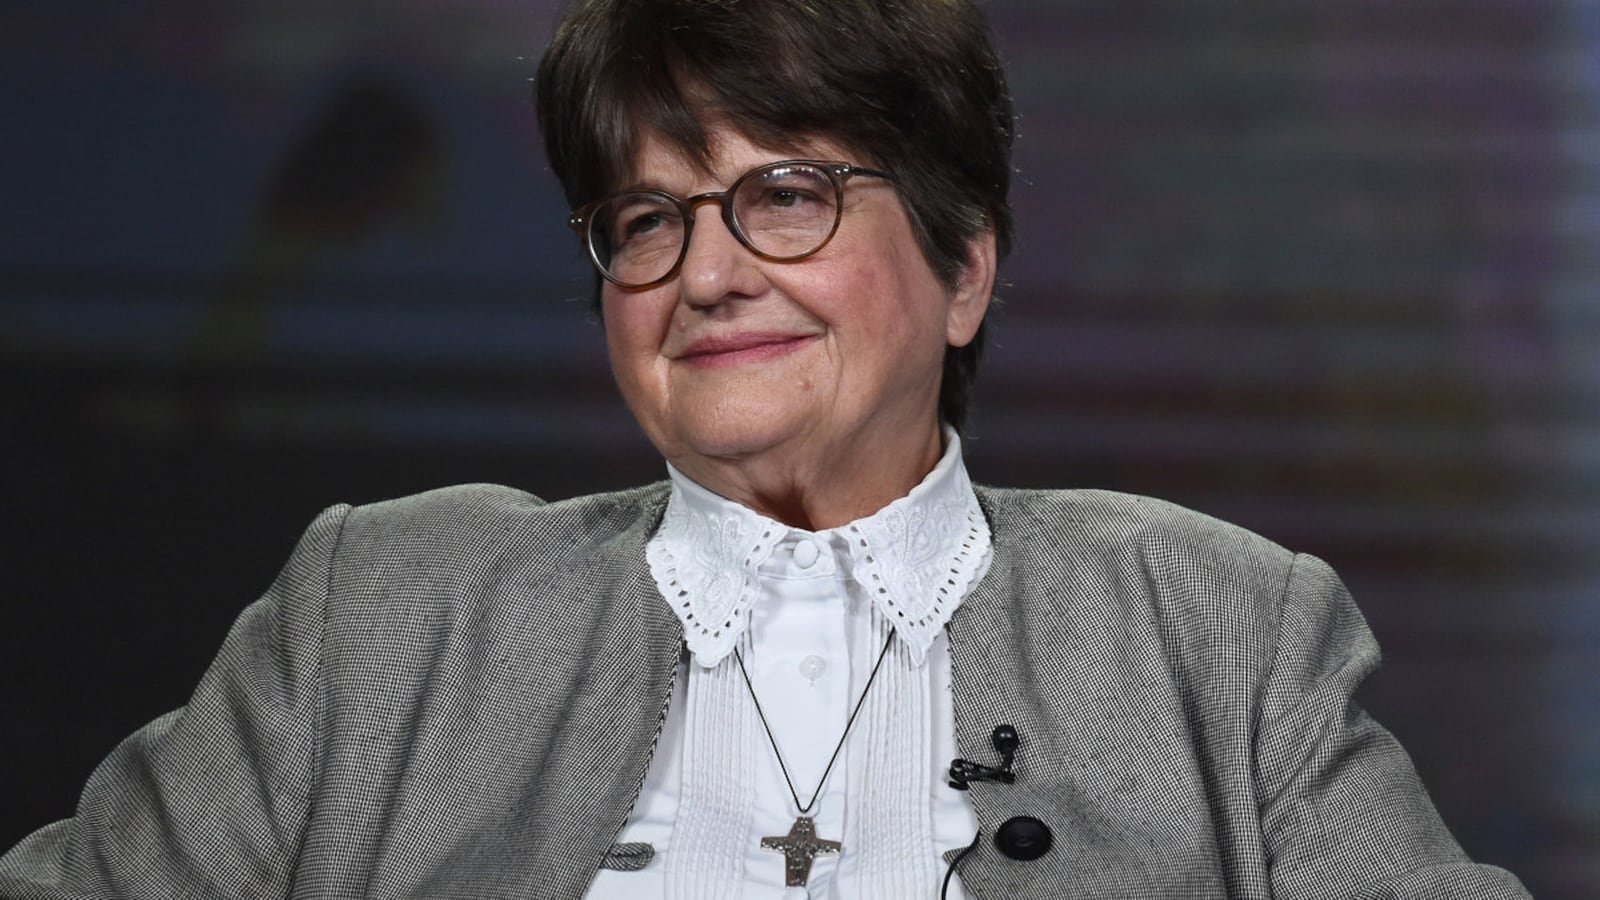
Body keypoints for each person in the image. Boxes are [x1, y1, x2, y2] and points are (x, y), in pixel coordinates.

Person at [0, 0, 1534, 898]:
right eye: (647, 219)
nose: (709, 270)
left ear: (965, 270)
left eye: (786, 193)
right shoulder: (386, 608)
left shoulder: (1218, 626)